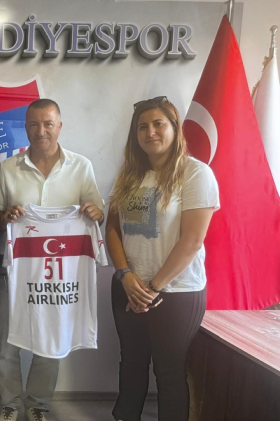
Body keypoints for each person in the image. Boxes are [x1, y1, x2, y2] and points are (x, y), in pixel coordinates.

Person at [105, 96, 219, 421]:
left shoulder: (195, 173)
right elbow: (112, 229)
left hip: (175, 293)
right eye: (142, 127)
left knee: (169, 372)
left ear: (174, 128)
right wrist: (125, 275)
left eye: (158, 124)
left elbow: (192, 241)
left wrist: (153, 288)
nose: (150, 132)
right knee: (131, 363)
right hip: (128, 287)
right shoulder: (129, 174)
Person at [0, 99, 105, 421]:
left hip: (61, 273)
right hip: (14, 269)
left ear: (59, 126)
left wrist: (96, 212)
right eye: (33, 124)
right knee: (7, 345)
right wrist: (5, 217)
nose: (40, 130)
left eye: (48, 124)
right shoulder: (8, 168)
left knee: (51, 340)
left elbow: (97, 213)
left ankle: (37, 404)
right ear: (25, 127)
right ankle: (10, 404)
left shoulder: (81, 166)